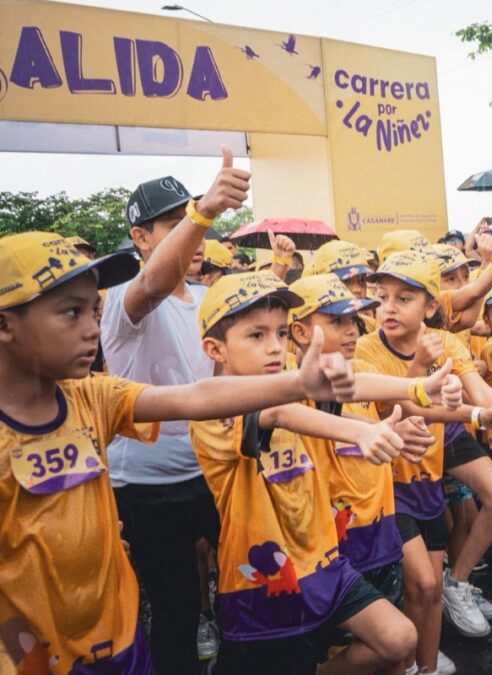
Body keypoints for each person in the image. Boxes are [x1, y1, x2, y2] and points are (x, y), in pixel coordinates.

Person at [0, 232, 369, 674]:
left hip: (121, 641)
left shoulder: (92, 397)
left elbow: (193, 396)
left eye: (95, 311)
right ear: (5, 324)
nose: (92, 329)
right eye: (71, 312)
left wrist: (295, 383)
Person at [191, 271, 449, 674]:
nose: (274, 347)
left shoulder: (290, 380)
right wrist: (362, 431)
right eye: (256, 336)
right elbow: (279, 410)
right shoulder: (213, 410)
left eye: (278, 333)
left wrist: (416, 389)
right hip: (262, 587)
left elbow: (345, 386)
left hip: (323, 563)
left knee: (399, 638)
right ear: (215, 348)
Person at [100, 151, 244, 674]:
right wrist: (204, 211)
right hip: (149, 485)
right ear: (140, 238)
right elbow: (156, 284)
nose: (192, 231)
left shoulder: (210, 297)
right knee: (178, 605)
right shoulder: (121, 299)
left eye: (192, 218)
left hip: (215, 469)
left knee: (247, 579)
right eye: (174, 222)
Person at [354, 251, 492, 674]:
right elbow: (392, 406)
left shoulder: (447, 342)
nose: (389, 308)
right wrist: (422, 372)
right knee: (425, 582)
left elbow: (479, 394)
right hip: (389, 487)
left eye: (404, 298)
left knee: (431, 593)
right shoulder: (366, 348)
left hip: (427, 477)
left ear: (431, 307)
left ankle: (425, 667)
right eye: (382, 298)